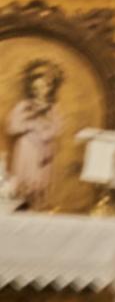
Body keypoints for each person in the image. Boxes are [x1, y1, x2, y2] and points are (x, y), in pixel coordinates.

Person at [6, 58, 65, 210]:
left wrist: (45, 130)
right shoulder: (24, 106)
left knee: (41, 186)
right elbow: (13, 127)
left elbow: (58, 128)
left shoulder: (53, 108)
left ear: (49, 88)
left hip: (44, 151)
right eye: (36, 87)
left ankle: (38, 208)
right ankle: (21, 207)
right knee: (24, 184)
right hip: (27, 148)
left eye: (43, 87)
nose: (40, 91)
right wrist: (29, 123)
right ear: (31, 88)